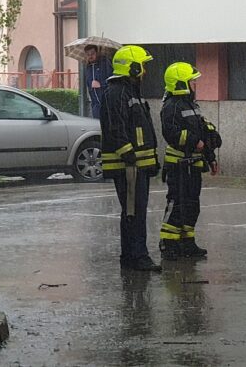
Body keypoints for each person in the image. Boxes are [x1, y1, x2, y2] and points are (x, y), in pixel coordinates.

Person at [99, 45, 161, 272]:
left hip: (136, 165)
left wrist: (151, 160)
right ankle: (138, 257)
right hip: (128, 166)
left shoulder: (130, 92)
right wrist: (129, 156)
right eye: (142, 66)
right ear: (132, 68)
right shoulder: (117, 93)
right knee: (134, 212)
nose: (145, 71)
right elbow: (115, 127)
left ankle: (130, 257)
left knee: (134, 211)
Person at [159, 62, 221, 260]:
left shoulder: (191, 105)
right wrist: (195, 142)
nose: (195, 84)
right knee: (177, 203)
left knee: (192, 205)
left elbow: (201, 132)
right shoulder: (171, 106)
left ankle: (187, 242)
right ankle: (168, 243)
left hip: (193, 164)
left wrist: (211, 157)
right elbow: (171, 133)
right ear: (180, 83)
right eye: (192, 81)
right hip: (178, 165)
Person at [85, 45, 113, 119]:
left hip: (107, 104)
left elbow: (112, 80)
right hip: (95, 106)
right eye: (88, 54)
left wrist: (101, 84)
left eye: (92, 53)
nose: (90, 56)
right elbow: (89, 85)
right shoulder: (88, 67)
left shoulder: (105, 63)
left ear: (97, 53)